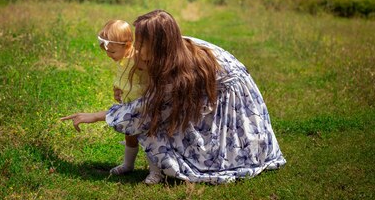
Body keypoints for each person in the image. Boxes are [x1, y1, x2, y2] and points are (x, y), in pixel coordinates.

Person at [61, 10, 286, 185]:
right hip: (217, 87)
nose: (136, 49)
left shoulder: (179, 74)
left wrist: (94, 116)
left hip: (232, 95)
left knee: (162, 127)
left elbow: (144, 110)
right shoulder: (167, 53)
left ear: (159, 45)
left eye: (141, 44)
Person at [96, 19, 151, 179]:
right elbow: (125, 76)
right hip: (128, 102)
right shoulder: (123, 57)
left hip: (142, 105)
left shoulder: (139, 58)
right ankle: (128, 164)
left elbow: (150, 75)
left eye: (112, 52)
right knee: (130, 136)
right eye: (107, 51)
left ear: (127, 45)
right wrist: (118, 88)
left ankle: (155, 171)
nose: (108, 55)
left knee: (149, 138)